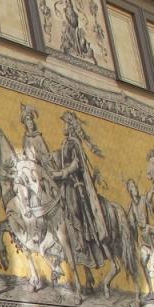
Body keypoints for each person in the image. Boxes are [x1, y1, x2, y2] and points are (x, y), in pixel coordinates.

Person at [54, 112, 107, 266]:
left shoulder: (74, 143)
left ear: (71, 127)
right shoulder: (65, 143)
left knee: (73, 207)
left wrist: (64, 172)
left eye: (66, 123)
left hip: (75, 183)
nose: (64, 126)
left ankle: (81, 240)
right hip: (66, 182)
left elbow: (77, 163)